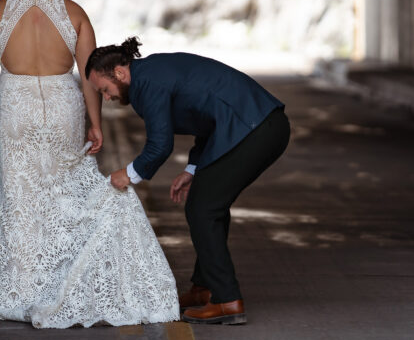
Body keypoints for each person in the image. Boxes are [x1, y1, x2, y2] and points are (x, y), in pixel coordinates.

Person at [0, 0, 179, 328]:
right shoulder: (75, 14)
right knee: (63, 196)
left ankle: (22, 291)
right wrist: (96, 124)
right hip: (62, 112)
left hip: (16, 112)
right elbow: (89, 78)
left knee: (19, 201)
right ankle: (61, 282)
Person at [85, 38, 291, 325]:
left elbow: (160, 145)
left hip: (255, 128)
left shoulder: (148, 83)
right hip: (255, 126)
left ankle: (227, 300)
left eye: (104, 90)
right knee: (208, 205)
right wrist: (193, 168)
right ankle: (203, 289)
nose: (107, 98)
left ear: (119, 73)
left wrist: (127, 174)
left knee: (204, 209)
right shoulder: (151, 73)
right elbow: (206, 120)